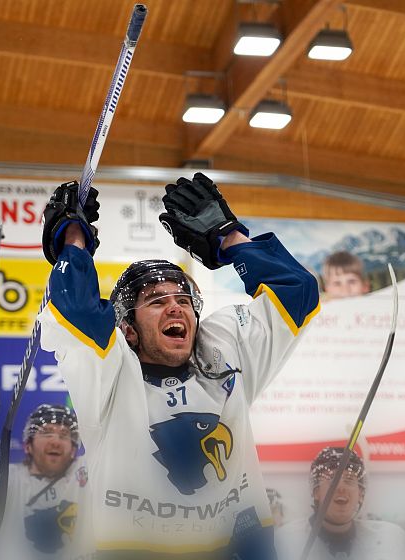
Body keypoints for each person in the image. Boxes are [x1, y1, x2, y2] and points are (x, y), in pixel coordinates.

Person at [38, 173, 320, 559]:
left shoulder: (221, 350)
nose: (175, 306)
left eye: (183, 299)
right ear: (129, 330)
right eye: (155, 301)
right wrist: (74, 242)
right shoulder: (109, 373)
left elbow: (297, 293)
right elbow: (76, 310)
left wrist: (228, 237)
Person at [0, 385, 92, 560]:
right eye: (46, 433)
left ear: (73, 449)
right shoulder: (9, 480)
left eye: (64, 435)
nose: (56, 441)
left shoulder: (88, 475)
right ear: (28, 446)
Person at [276, 447, 405, 560]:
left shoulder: (391, 540)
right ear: (316, 491)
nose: (341, 487)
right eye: (332, 480)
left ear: (360, 493)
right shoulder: (285, 541)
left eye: (349, 480)